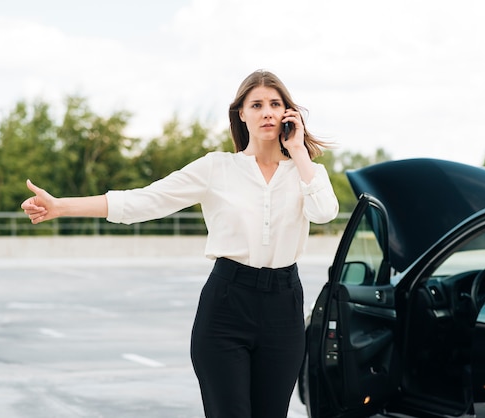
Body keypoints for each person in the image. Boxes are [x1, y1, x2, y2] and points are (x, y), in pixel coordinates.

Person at [21, 69, 339, 418]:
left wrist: (297, 151)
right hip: (227, 306)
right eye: (257, 104)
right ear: (241, 114)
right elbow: (144, 201)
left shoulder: (306, 173)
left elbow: (325, 212)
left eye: (275, 104)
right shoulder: (216, 168)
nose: (267, 112)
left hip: (284, 307)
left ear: (287, 114)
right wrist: (62, 206)